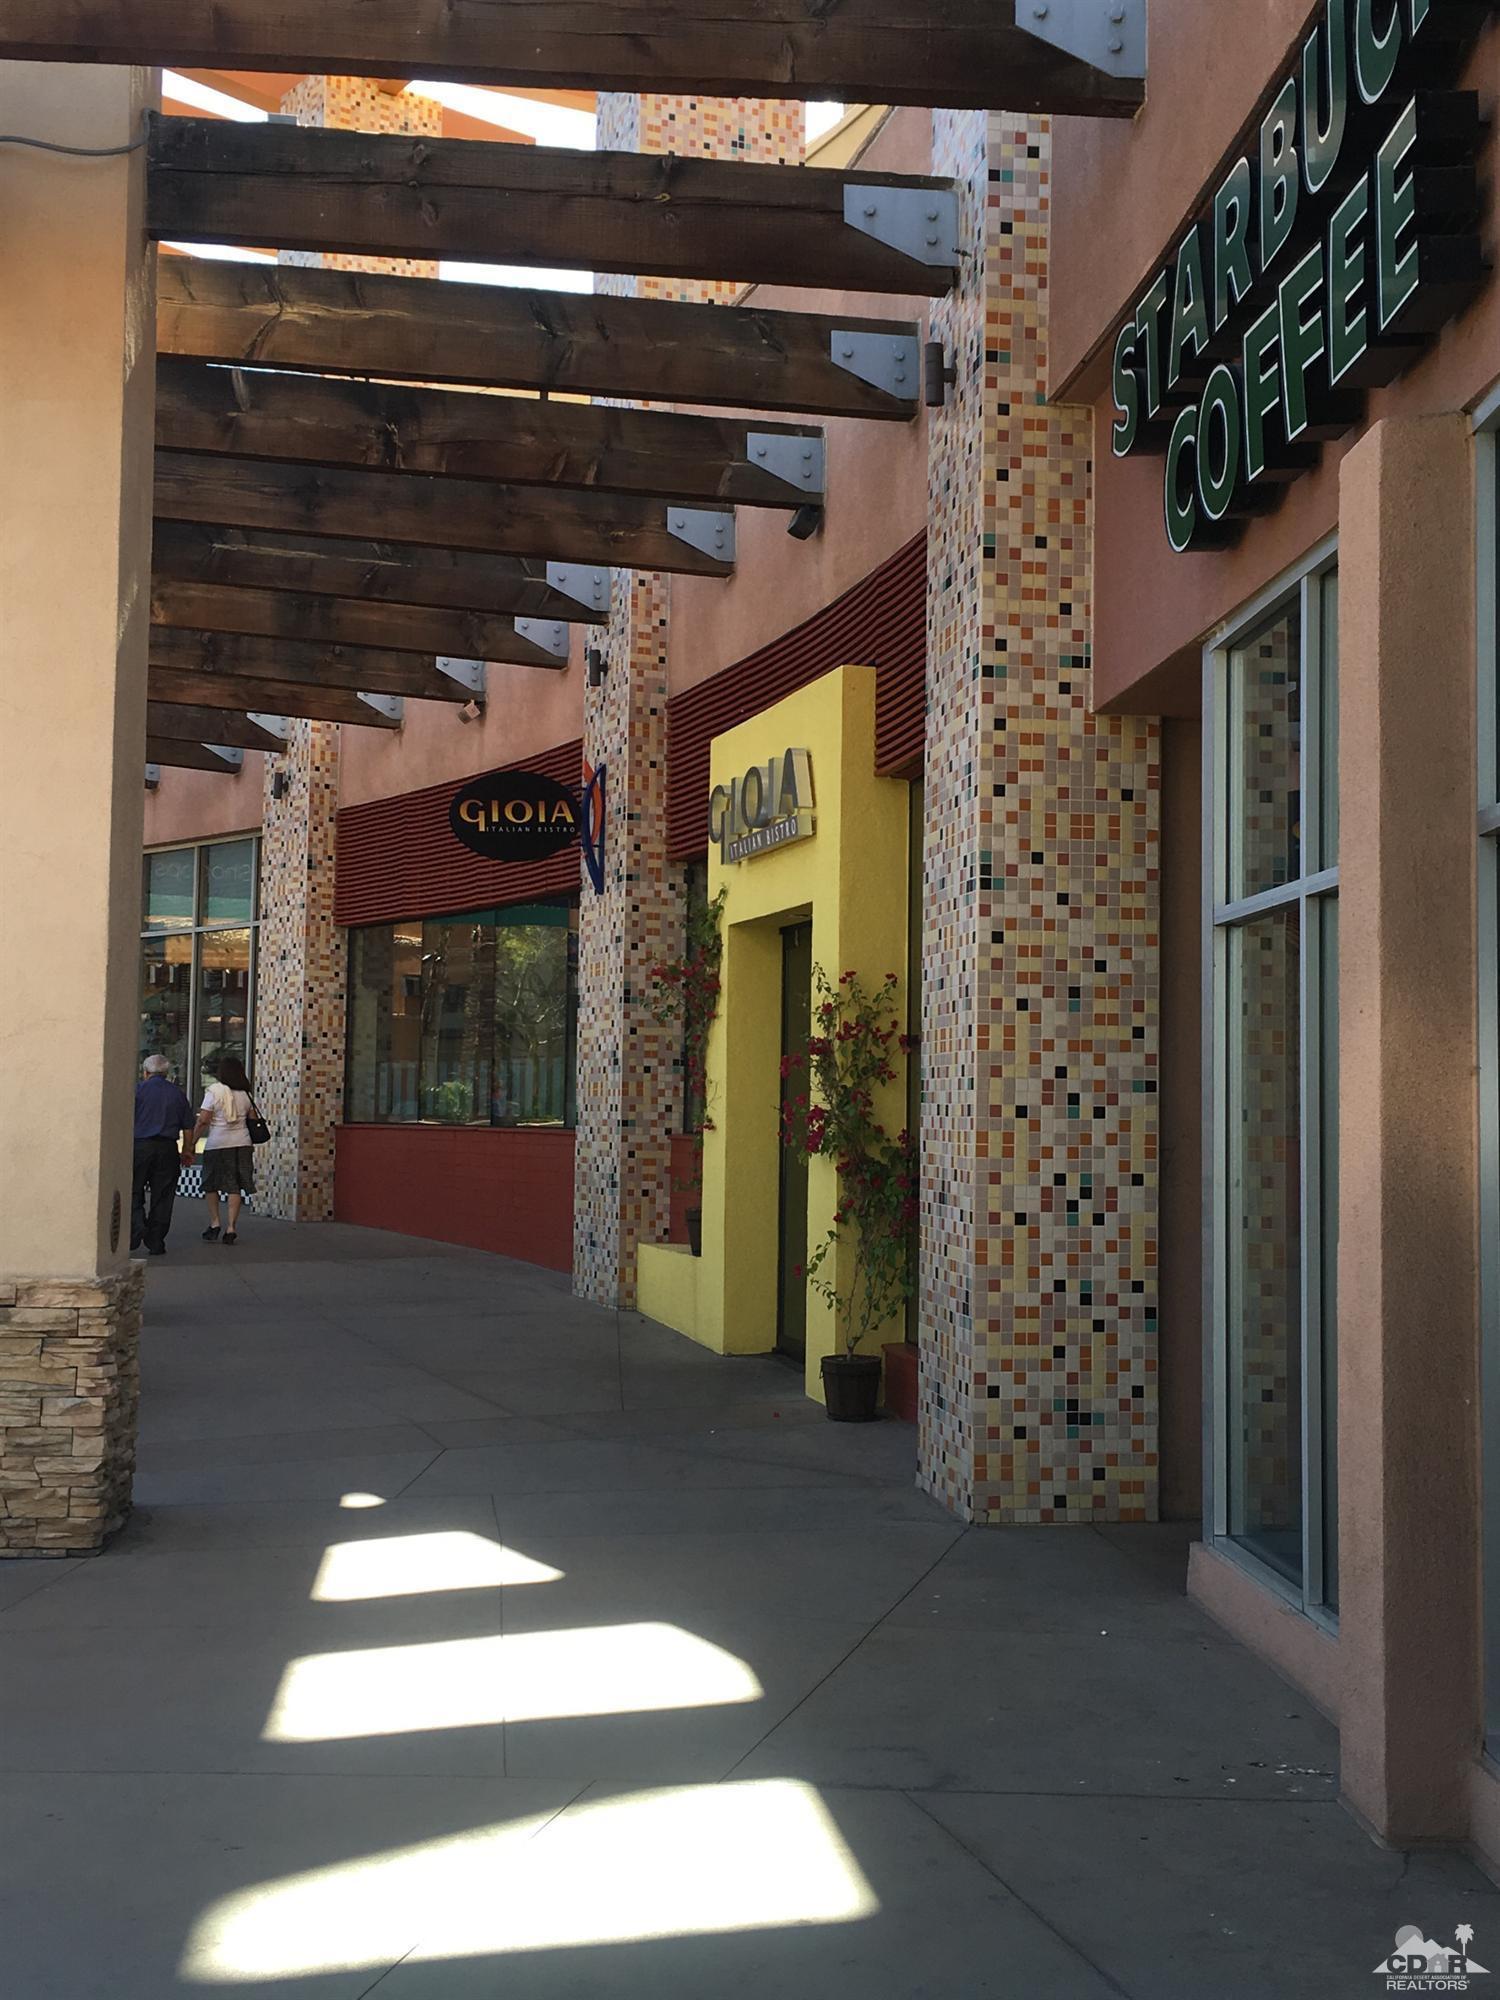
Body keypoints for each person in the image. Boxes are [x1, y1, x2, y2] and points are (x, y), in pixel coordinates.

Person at [132, 1055, 197, 1257]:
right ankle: (156, 1240)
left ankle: (137, 1227)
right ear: (166, 1073)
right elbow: (188, 1127)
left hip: (140, 1147)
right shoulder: (177, 1094)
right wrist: (187, 1150)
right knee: (163, 1195)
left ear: (146, 1072)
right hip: (168, 1148)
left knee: (133, 1190)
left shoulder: (138, 1091)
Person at [194, 1054, 256, 1246]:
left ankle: (215, 1223)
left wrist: (191, 1143)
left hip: (217, 1143)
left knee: (211, 1184)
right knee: (234, 1185)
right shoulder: (246, 1094)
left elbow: (203, 1119)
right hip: (242, 1143)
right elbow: (252, 1119)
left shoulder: (213, 1092)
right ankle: (231, 1227)